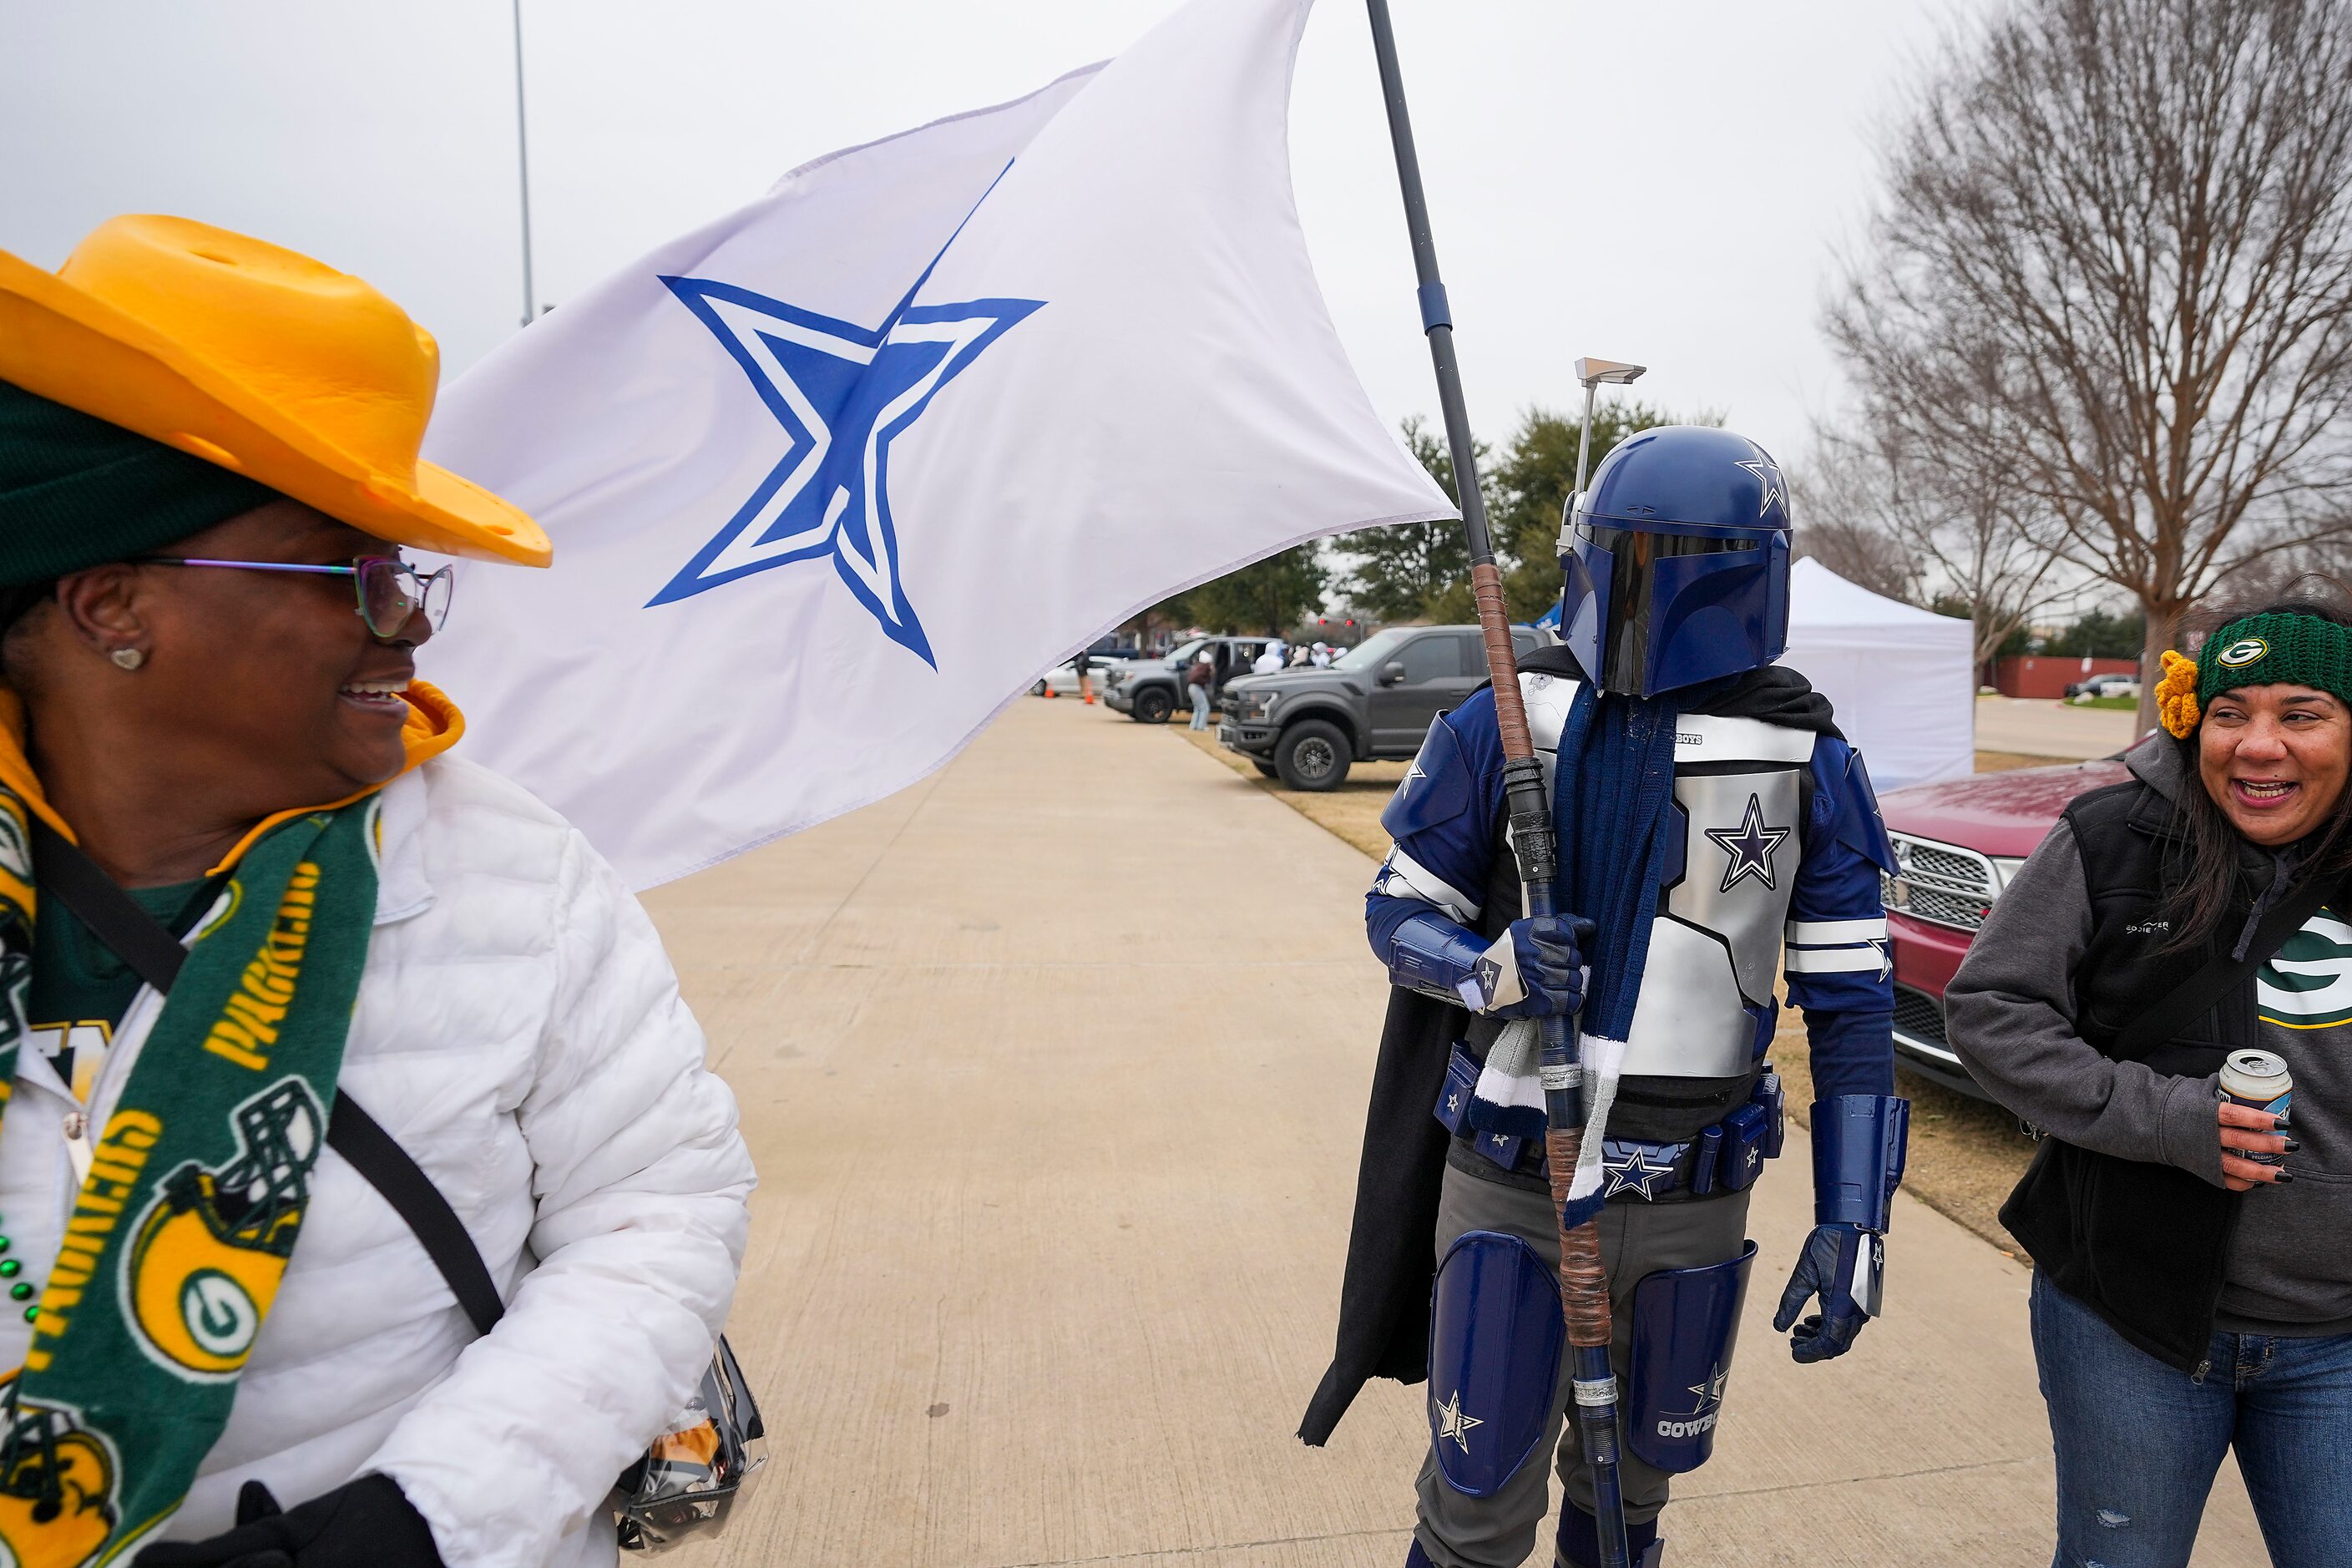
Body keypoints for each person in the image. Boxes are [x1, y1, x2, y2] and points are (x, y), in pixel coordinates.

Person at [0, 215, 754, 1566]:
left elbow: (657, 1215)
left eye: (406, 570)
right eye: (349, 568)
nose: (405, 618)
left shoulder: (514, 880)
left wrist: (420, 1522)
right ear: (116, 605)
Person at [1299, 426, 1909, 1568]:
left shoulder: (1808, 759)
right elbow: (1397, 913)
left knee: (1630, 1505)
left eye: (1682, 556)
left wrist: (1855, 1214)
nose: (1648, 586)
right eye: (1633, 554)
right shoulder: (1505, 716)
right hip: (1515, 1177)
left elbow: (1852, 1009)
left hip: (1693, 1197)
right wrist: (1493, 966)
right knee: (1473, 1506)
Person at [1947, 589, 2352, 1568]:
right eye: (2231, 713)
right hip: (2129, 1316)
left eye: (2302, 713)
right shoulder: (2115, 836)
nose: (2259, 747)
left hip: (2339, 1337)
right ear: (2193, 719)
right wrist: (2168, 1120)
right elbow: (1990, 1011)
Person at [1187, 645, 1216, 731]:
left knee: (1197, 708)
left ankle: (1193, 725)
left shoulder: (1198, 667)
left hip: (1192, 687)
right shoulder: (1204, 669)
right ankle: (1201, 726)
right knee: (1205, 708)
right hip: (1196, 688)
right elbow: (1207, 677)